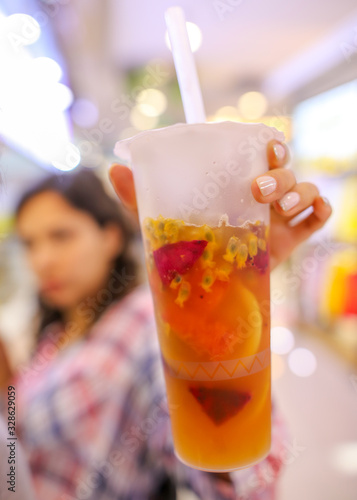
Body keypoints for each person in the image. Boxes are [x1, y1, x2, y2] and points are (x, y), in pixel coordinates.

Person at [0, 140, 331, 500]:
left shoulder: (147, 321)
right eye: (29, 243)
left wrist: (230, 295)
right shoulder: (55, 330)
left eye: (60, 236)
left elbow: (232, 475)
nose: (42, 260)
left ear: (110, 236)